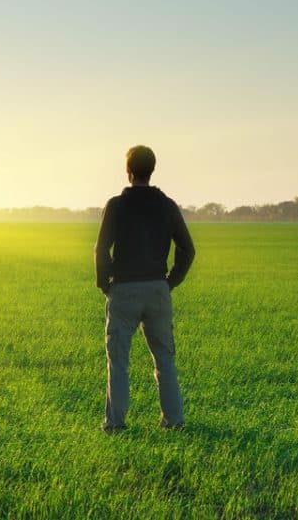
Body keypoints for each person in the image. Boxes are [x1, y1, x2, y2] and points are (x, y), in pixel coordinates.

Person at [95, 145, 195, 433]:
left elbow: (101, 248)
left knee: (118, 362)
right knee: (164, 358)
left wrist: (105, 285)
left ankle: (115, 424)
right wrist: (169, 282)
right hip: (157, 289)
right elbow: (187, 249)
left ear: (128, 171)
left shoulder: (115, 205)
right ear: (152, 171)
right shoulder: (167, 205)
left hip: (124, 289)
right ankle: (174, 422)